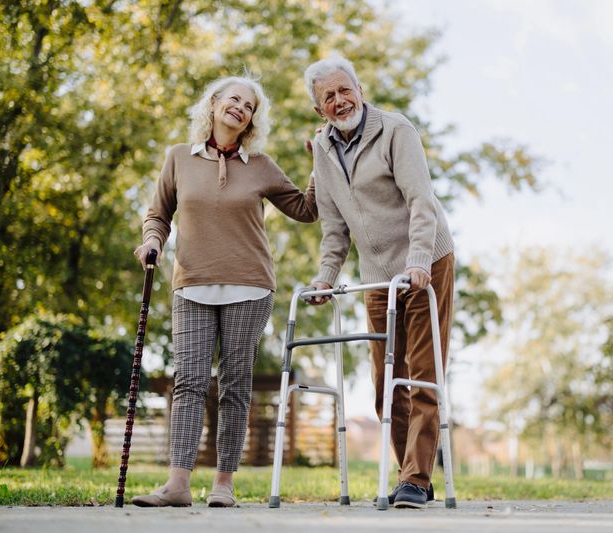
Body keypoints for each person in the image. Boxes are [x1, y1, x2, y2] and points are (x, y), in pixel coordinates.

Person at [131, 75, 317, 507]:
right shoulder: (179, 158)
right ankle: (177, 486)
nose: (240, 108)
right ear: (213, 104)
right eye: (234, 99)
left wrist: (320, 166)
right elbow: (158, 214)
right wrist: (153, 240)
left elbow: (306, 211)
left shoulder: (261, 165)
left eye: (249, 105)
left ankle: (223, 484)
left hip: (250, 286)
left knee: (235, 384)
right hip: (191, 283)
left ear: (251, 120)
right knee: (189, 381)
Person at [303, 55, 454, 509]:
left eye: (344, 90)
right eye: (328, 96)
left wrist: (420, 260)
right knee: (384, 380)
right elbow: (334, 228)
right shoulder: (323, 150)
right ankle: (413, 473)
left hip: (426, 261)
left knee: (423, 375)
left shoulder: (395, 130)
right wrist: (326, 277)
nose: (339, 100)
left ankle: (416, 478)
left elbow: (420, 201)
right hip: (376, 276)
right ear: (319, 110)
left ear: (359, 89)